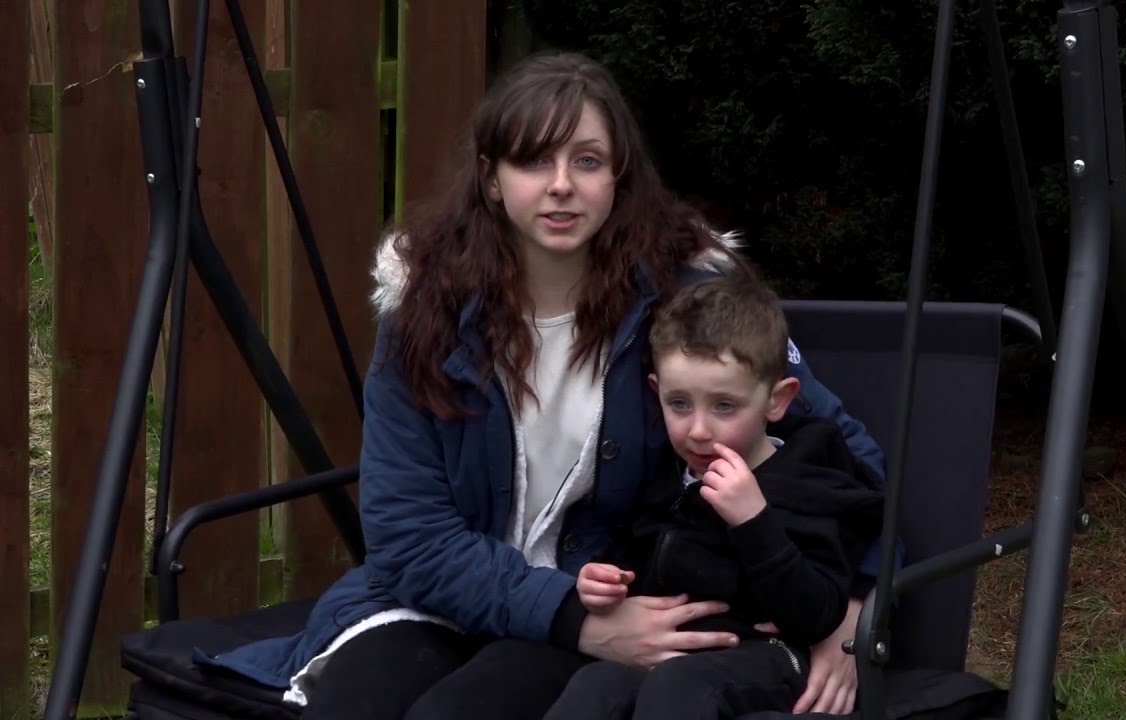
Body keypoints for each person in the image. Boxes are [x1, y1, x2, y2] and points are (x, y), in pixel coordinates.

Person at [199, 50, 885, 720]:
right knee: (353, 704)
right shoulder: (425, 314)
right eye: (533, 161)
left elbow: (852, 460)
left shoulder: (685, 302)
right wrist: (572, 620)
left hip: (611, 598)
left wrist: (855, 611)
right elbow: (407, 536)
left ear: (618, 177)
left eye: (586, 160)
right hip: (446, 601)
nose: (561, 185)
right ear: (492, 179)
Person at [542, 276, 884, 720]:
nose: (699, 430)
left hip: (773, 652)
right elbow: (641, 559)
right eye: (679, 404)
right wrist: (605, 583)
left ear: (777, 401)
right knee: (597, 684)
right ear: (656, 393)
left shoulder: (808, 483)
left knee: (680, 686)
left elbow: (817, 615)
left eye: (724, 406)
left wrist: (755, 522)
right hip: (676, 646)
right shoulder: (667, 479)